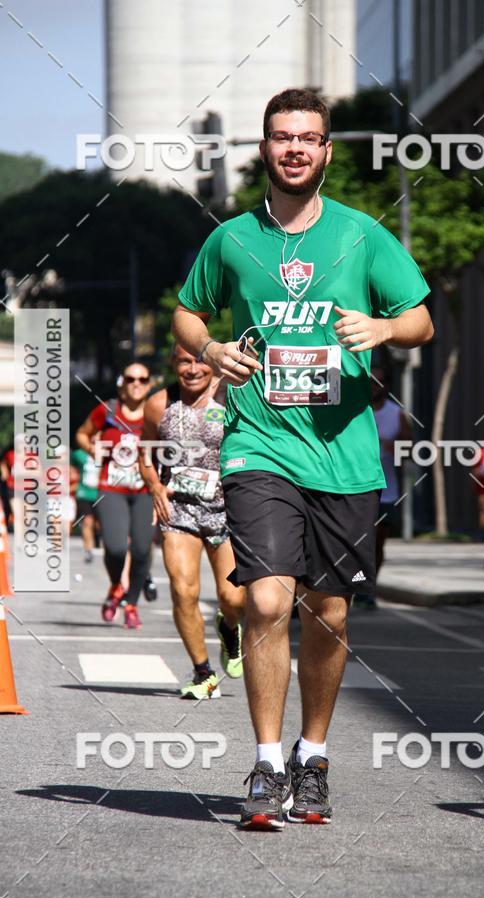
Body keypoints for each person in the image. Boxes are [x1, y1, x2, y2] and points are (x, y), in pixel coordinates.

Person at [172, 88, 433, 829]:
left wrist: (383, 331)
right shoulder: (231, 240)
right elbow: (189, 311)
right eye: (282, 137)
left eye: (308, 138)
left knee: (329, 613)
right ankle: (265, 762)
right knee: (263, 597)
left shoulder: (363, 236)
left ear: (325, 151)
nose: (295, 148)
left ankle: (312, 756)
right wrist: (212, 347)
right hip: (259, 441)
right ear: (265, 148)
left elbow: (420, 318)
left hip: (344, 454)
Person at [139, 344, 245, 699]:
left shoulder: (233, 394)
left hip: (226, 509)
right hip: (178, 510)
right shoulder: (159, 404)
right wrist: (155, 485)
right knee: (183, 590)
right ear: (173, 363)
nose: (193, 368)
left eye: (199, 360)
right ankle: (203, 673)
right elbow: (145, 453)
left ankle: (230, 629)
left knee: (234, 598)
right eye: (184, 361)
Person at [76, 362, 154, 629]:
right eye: (130, 378)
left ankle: (131, 603)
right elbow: (82, 434)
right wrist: (93, 451)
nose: (136, 383)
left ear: (149, 384)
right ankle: (115, 587)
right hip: (111, 488)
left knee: (143, 549)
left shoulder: (157, 412)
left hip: (145, 489)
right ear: (122, 384)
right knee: (117, 547)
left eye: (142, 379)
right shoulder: (107, 410)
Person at [353, 366, 411, 609]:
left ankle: (369, 588)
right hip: (354, 487)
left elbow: (410, 449)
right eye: (371, 380)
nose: (375, 385)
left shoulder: (396, 413)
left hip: (386, 490)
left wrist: (394, 447)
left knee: (377, 543)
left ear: (386, 385)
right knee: (355, 542)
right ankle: (355, 584)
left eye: (380, 381)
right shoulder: (355, 411)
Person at [71, 445, 100, 562]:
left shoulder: (106, 453)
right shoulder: (79, 454)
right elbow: (72, 468)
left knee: (98, 524)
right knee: (87, 521)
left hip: (101, 493)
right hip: (84, 493)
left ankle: (99, 542)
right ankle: (88, 550)